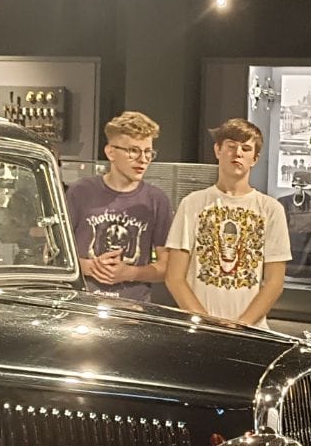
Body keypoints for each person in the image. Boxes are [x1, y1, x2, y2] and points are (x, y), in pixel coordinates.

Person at [165, 118, 291, 328]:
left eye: (246, 148)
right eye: (231, 146)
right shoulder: (192, 204)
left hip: (250, 331)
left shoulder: (271, 209)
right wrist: (206, 322)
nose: (238, 153)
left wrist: (242, 325)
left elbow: (274, 282)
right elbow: (174, 277)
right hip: (200, 329)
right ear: (218, 150)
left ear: (255, 158)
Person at [65, 112, 172, 300]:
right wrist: (89, 267)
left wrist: (130, 273)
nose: (143, 159)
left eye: (148, 152)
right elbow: (53, 256)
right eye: (133, 151)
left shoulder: (157, 200)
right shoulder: (79, 192)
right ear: (111, 152)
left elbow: (167, 268)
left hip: (133, 308)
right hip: (82, 304)